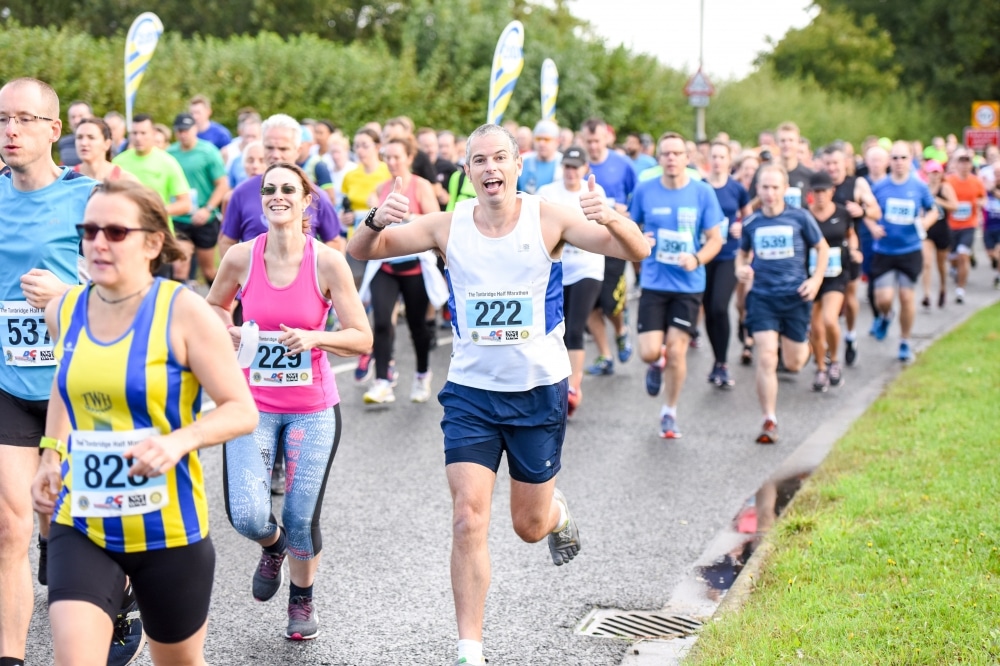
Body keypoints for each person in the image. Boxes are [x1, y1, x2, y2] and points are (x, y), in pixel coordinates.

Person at [346, 124, 648, 666]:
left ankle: (554, 514)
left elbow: (636, 249)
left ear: (517, 167)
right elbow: (363, 250)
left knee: (527, 527)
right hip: (471, 394)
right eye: (479, 160)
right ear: (466, 173)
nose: (490, 169)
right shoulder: (446, 225)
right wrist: (375, 220)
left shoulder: (547, 217)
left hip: (536, 391)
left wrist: (611, 216)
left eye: (500, 158)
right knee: (467, 517)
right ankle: (470, 650)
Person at [31, 178, 258, 666]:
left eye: (115, 232)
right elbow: (66, 385)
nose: (97, 242)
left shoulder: (185, 312)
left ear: (153, 242)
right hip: (83, 520)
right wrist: (51, 454)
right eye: (88, 230)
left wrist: (179, 442)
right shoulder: (65, 310)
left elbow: (242, 409)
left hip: (168, 530)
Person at [207, 162, 370, 641]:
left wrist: (315, 337)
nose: (277, 195)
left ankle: (302, 600)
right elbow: (214, 306)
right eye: (269, 189)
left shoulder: (328, 262)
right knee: (247, 515)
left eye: (288, 189)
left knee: (301, 515)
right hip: (251, 403)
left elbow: (362, 337)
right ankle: (272, 545)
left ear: (305, 202)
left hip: (312, 407)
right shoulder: (240, 257)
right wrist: (229, 329)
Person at [0, 76, 99, 666]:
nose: (10, 131)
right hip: (8, 382)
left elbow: (132, 288)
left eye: (23, 120)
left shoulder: (88, 197)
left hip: (79, 383)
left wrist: (70, 293)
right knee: (10, 527)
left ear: (53, 129)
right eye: (1, 120)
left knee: (80, 522)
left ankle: (124, 595)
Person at [630, 132, 725, 438]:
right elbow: (632, 228)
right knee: (647, 352)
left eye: (677, 153)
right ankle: (655, 363)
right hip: (655, 280)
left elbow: (715, 239)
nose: (671, 159)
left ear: (687, 158)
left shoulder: (702, 192)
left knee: (677, 349)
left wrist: (697, 259)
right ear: (658, 159)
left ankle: (669, 412)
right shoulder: (645, 190)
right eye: (665, 154)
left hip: (688, 283)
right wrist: (640, 240)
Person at [737, 165, 829, 444]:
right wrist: (741, 270)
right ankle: (769, 419)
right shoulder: (752, 223)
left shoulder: (800, 217)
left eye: (775, 187)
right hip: (763, 297)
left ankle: (807, 348)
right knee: (766, 357)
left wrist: (815, 280)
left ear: (785, 189)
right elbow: (741, 255)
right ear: (758, 189)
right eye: (764, 187)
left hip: (795, 297)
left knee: (794, 362)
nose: (769, 193)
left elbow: (822, 248)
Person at [358, 138, 442, 405]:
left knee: (418, 327)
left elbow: (436, 221)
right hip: (385, 265)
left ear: (409, 156)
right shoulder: (380, 189)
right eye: (388, 158)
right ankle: (382, 381)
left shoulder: (422, 185)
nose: (392, 163)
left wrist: (408, 218)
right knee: (382, 322)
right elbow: (368, 223)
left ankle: (421, 375)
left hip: (415, 265)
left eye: (397, 157)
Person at [537, 146, 607, 415]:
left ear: (585, 168)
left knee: (575, 328)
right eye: (567, 166)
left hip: (587, 267)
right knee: (555, 328)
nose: (571, 172)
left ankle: (573, 385)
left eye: (576, 167)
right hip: (557, 269)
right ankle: (554, 381)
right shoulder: (547, 192)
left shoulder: (593, 192)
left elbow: (603, 225)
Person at [219, 114, 343, 259]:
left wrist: (317, 274)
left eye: (283, 149)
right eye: (269, 148)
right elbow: (227, 241)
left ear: (298, 150)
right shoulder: (242, 192)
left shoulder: (315, 194)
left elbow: (333, 242)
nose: (276, 155)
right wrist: (239, 277)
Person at [868, 142, 937, 361]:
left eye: (903, 158)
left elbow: (933, 210)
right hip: (885, 251)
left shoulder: (919, 186)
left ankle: (905, 341)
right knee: (884, 299)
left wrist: (924, 224)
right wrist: (873, 227)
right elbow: (867, 211)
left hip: (910, 250)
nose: (899, 162)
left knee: (907, 297)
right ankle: (886, 316)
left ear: (910, 160)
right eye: (895, 158)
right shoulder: (880, 186)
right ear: (890, 161)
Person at [580, 117, 637, 375]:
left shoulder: (623, 164)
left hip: (613, 240)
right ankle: (605, 355)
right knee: (589, 305)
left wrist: (626, 212)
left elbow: (638, 198)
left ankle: (621, 329)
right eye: (588, 141)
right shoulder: (578, 164)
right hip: (586, 242)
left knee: (609, 301)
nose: (592, 145)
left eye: (597, 140)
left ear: (606, 138)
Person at [822, 144, 881, 367]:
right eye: (828, 164)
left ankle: (851, 335)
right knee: (826, 302)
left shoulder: (856, 183)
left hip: (851, 249)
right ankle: (829, 343)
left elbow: (877, 211)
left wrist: (863, 211)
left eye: (836, 163)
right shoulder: (819, 185)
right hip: (822, 250)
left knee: (849, 296)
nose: (832, 168)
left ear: (845, 163)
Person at [704, 140, 751, 388]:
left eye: (723, 157)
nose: (718, 161)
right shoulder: (700, 187)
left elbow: (749, 216)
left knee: (720, 307)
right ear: (709, 159)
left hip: (728, 256)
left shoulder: (737, 189)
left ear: (729, 161)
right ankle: (717, 359)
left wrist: (740, 226)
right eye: (714, 156)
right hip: (703, 254)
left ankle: (722, 363)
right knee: (709, 310)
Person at [805, 171, 855, 391]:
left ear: (832, 191)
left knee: (829, 319)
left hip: (836, 274)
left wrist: (854, 249)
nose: (820, 196)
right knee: (815, 326)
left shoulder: (843, 213)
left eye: (823, 191)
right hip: (811, 275)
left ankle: (834, 360)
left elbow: (850, 234)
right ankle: (820, 368)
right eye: (816, 192)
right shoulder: (805, 215)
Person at [167, 112, 229, 286]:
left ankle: (224, 306)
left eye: (187, 129)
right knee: (179, 269)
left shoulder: (208, 152)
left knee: (208, 270)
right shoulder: (169, 153)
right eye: (179, 130)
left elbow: (222, 184)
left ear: (195, 129)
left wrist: (207, 209)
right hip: (179, 217)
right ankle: (182, 309)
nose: (183, 134)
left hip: (205, 217)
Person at [112, 115, 191, 233]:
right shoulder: (118, 162)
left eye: (143, 133)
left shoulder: (167, 162)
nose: (138, 138)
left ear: (153, 133)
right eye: (134, 133)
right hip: (126, 232)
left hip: (159, 231)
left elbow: (185, 204)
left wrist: (158, 210)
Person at [944, 148, 987, 304]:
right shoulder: (948, 181)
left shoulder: (976, 181)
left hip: (969, 224)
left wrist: (979, 203)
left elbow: (983, 199)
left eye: (967, 162)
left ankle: (960, 290)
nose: (964, 165)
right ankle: (955, 266)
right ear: (956, 164)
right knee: (953, 257)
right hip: (951, 225)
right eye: (961, 162)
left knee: (963, 255)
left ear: (970, 165)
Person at [920, 160, 958, 307]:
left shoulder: (945, 187)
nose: (935, 176)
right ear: (927, 174)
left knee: (941, 264)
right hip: (928, 229)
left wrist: (939, 201)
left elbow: (955, 205)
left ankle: (942, 288)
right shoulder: (923, 188)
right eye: (932, 173)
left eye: (937, 173)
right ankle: (927, 295)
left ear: (941, 173)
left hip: (942, 229)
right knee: (927, 262)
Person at [73, 117, 138, 182]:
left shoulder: (125, 180)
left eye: (91, 137)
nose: (83, 143)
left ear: (107, 144)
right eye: (79, 137)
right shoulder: (67, 178)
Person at [517, 120, 563, 195]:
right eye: (538, 139)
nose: (541, 143)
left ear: (557, 141)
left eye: (546, 139)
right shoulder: (523, 161)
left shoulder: (564, 163)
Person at [56, 100, 92, 167]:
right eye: (73, 117)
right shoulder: (64, 142)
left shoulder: (101, 141)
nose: (76, 121)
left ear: (91, 117)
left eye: (81, 116)